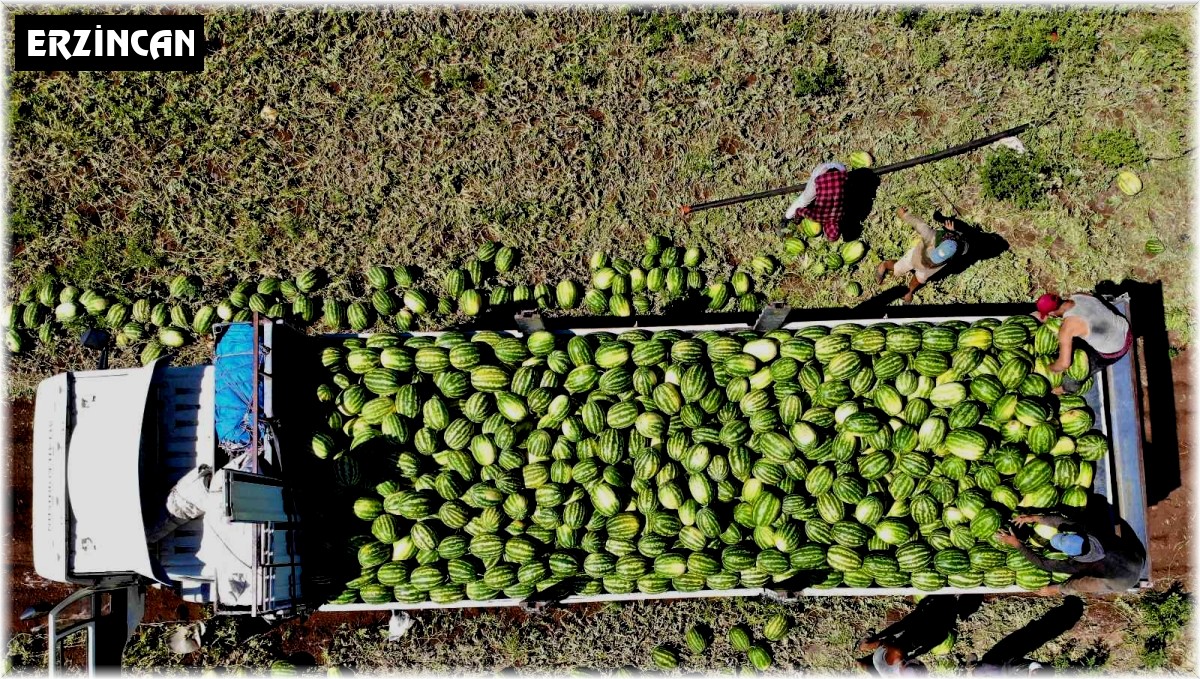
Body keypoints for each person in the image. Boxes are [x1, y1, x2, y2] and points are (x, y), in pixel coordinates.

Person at [995, 512, 1145, 595]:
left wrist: (1016, 544)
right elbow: (1061, 522)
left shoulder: (1078, 566)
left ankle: (1054, 590)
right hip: (1134, 556)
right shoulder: (1091, 532)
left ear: (1072, 556)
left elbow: (1042, 564)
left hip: (1122, 580)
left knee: (1083, 584)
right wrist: (1034, 518)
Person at [1032, 292, 1132, 394]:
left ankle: (1066, 389)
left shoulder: (1067, 329)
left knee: (1077, 372)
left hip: (1117, 348)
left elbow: (1064, 364)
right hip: (1125, 327)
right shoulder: (1078, 295)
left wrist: (1049, 368)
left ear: (1052, 314)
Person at [874, 207, 964, 303]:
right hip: (914, 257)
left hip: (929, 270)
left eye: (935, 260)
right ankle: (884, 265)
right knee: (898, 268)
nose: (930, 262)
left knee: (919, 280)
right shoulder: (930, 235)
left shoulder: (958, 249)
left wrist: (952, 232)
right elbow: (918, 224)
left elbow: (963, 246)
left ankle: (909, 291)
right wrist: (904, 215)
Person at [782, 161, 848, 241]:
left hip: (841, 168)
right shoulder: (817, 216)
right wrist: (797, 220)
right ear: (824, 230)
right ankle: (785, 217)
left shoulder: (842, 213)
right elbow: (799, 211)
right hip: (821, 172)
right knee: (804, 200)